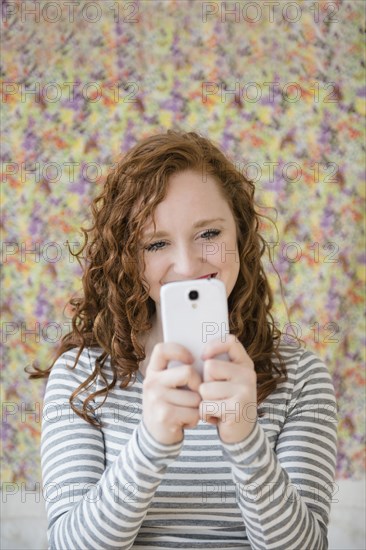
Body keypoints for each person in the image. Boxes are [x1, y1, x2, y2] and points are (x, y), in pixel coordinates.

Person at [31, 129, 338, 549]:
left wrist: (247, 440)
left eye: (209, 234)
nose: (187, 263)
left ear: (241, 236)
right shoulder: (81, 374)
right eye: (156, 243)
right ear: (128, 259)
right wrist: (150, 444)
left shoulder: (302, 377)